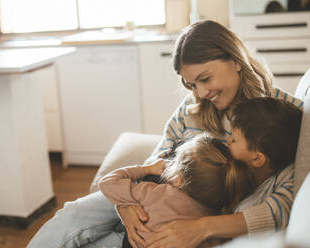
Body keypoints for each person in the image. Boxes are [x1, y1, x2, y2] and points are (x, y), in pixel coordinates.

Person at [27, 20, 304, 248]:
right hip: (150, 195)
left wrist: (201, 228)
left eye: (206, 79)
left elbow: (283, 206)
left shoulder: (281, 116)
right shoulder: (193, 107)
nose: (201, 93)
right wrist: (126, 202)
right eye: (191, 84)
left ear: (235, 60)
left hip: (193, 217)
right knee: (71, 215)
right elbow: (160, 156)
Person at [99, 134, 255, 248]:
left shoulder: (154, 192)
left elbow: (107, 183)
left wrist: (146, 169)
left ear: (179, 179)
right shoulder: (215, 222)